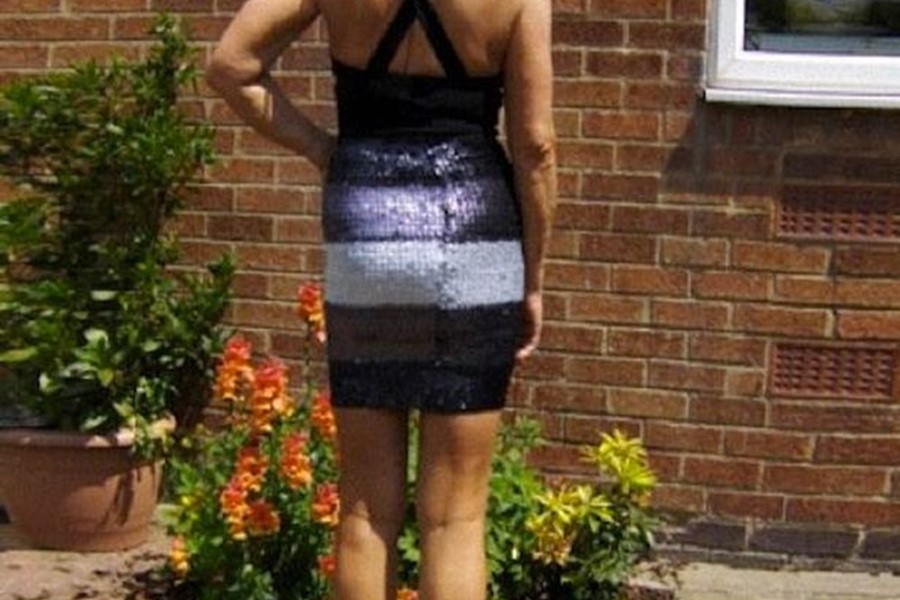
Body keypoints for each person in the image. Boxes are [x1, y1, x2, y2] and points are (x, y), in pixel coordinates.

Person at [207, 0, 556, 598]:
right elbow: (536, 145)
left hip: (364, 225)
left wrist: (320, 147)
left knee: (366, 509)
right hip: (475, 230)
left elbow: (230, 65)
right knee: (455, 518)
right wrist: (534, 275)